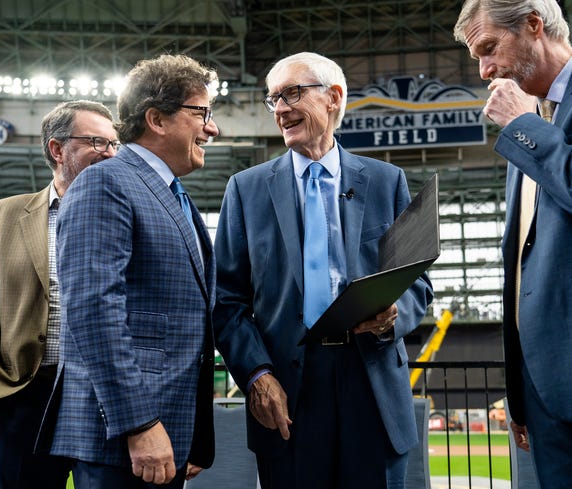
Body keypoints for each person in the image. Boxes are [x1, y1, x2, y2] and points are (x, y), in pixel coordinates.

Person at [213, 51, 434, 489]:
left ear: (333, 97)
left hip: (370, 381)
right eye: (272, 99)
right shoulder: (246, 189)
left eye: (292, 93)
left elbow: (418, 283)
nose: (279, 109)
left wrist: (394, 315)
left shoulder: (387, 181)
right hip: (288, 389)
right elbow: (226, 301)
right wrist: (256, 374)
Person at [35, 54, 219, 489]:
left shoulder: (175, 195)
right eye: (202, 114)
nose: (212, 129)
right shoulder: (106, 183)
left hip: (167, 430)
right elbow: (93, 310)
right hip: (124, 436)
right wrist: (139, 423)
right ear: (156, 118)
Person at [0, 99, 118, 489]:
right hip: (22, 398)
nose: (111, 153)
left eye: (115, 144)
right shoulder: (1, 216)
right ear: (57, 149)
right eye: (98, 142)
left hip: (102, 399)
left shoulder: (125, 216)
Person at [454, 1, 572, 487]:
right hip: (544, 393)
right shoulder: (531, 121)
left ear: (532, 24)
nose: (484, 71)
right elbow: (520, 268)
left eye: (488, 49)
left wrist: (525, 128)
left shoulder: (526, 126)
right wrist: (520, 394)